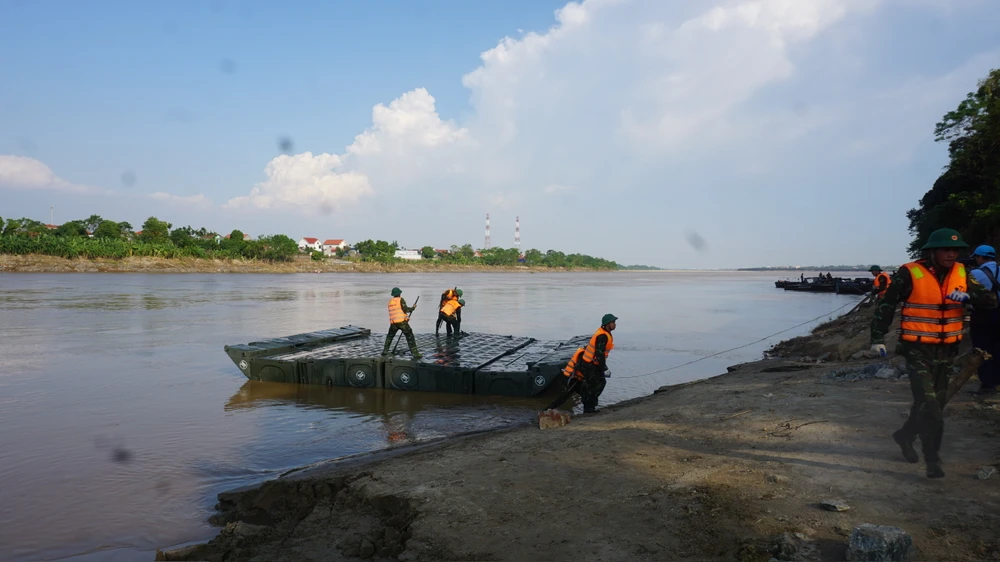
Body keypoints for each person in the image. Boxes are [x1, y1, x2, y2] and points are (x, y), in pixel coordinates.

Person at [870, 228, 997, 478]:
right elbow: (887, 304)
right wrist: (877, 338)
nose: (951, 254)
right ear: (932, 251)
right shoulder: (910, 272)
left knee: (932, 402)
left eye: (955, 250)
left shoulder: (963, 273)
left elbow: (990, 301)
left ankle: (905, 435)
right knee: (930, 403)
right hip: (917, 349)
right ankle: (932, 459)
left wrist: (969, 296)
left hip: (947, 349)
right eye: (945, 250)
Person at [969, 245, 1000, 394]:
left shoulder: (975, 273)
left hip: (983, 316)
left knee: (982, 349)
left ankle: (987, 385)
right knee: (998, 348)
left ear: (979, 257)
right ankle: (998, 381)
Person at [577, 314, 617, 413]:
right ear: (608, 324)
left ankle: (589, 407)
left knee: (595, 384)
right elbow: (599, 354)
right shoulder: (603, 335)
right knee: (596, 385)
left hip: (592, 363)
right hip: (590, 365)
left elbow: (600, 354)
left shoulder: (604, 333)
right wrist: (604, 369)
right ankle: (589, 408)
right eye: (613, 322)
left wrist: (603, 367)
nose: (615, 324)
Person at [382, 287, 422, 359]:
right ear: (399, 294)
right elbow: (405, 309)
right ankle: (415, 353)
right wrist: (413, 308)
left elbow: (397, 312)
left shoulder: (390, 301)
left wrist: (406, 317)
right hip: (401, 322)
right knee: (410, 337)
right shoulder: (400, 300)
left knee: (389, 337)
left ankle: (385, 351)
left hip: (393, 322)